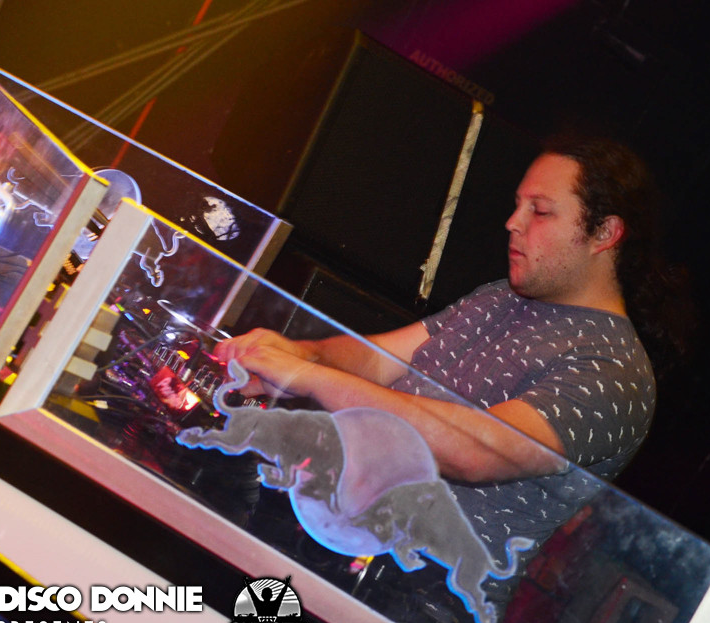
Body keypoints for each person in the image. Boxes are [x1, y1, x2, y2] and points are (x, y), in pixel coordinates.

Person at [215, 133, 678, 484]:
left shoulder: (614, 372)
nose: (512, 223)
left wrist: (309, 377)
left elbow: (476, 452)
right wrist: (302, 354)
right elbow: (378, 359)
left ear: (604, 233)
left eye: (540, 211)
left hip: (416, 579)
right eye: (518, 206)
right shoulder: (500, 296)